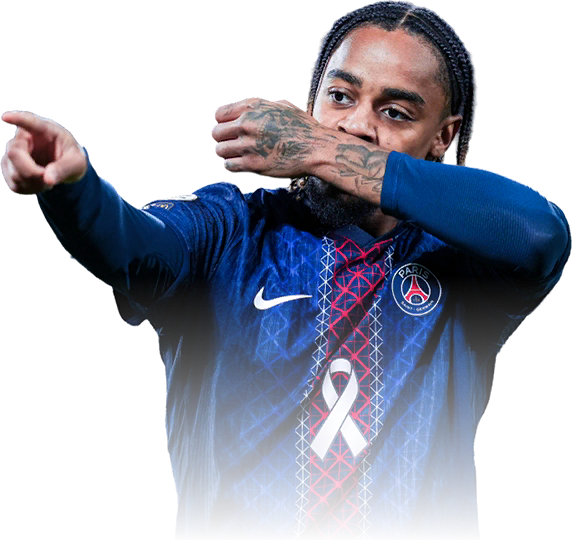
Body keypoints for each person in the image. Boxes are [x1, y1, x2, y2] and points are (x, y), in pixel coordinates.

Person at [2, 1, 571, 539]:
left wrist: (321, 149)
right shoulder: (231, 230)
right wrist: (75, 190)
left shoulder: (462, 263)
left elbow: (540, 234)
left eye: (394, 112)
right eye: (340, 97)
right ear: (309, 100)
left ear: (443, 137)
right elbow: (131, 247)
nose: (356, 125)